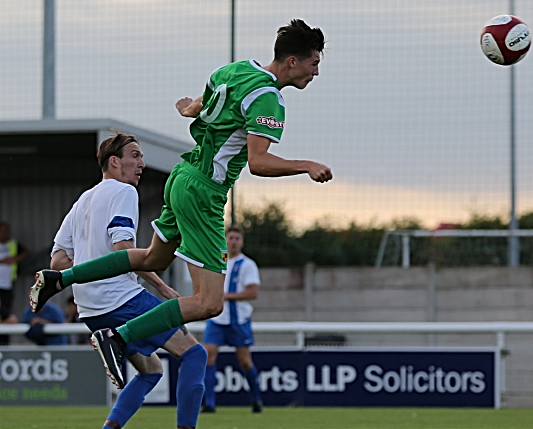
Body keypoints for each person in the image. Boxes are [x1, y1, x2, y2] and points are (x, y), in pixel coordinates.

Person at [30, 19, 331, 389]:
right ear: (291, 61)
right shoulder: (269, 97)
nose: (316, 72)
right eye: (313, 63)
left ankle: (59, 278)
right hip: (203, 191)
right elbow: (259, 162)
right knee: (209, 304)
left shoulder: (235, 70)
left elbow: (201, 103)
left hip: (182, 177)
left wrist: (190, 109)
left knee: (153, 258)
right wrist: (307, 165)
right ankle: (118, 337)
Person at [48, 132, 207, 429]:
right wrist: (161, 286)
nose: (141, 163)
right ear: (114, 162)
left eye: (142, 156)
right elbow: (124, 250)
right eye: (134, 155)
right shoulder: (123, 192)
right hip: (121, 299)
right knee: (195, 355)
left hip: (90, 309)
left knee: (151, 371)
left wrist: (90, 266)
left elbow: (57, 261)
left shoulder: (83, 199)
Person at [201, 226, 262, 414]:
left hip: (239, 320)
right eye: (231, 237)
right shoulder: (218, 260)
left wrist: (226, 296)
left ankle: (256, 399)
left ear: (242, 242)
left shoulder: (247, 264)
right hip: (217, 319)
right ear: (225, 240)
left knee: (244, 361)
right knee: (208, 353)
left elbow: (253, 292)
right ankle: (209, 403)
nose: (234, 241)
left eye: (237, 238)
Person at [0, 221, 30, 344]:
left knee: (6, 313)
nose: (4, 233)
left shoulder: (12, 243)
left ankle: (4, 343)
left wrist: (14, 259)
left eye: (6, 231)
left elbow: (27, 253)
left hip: (6, 285)